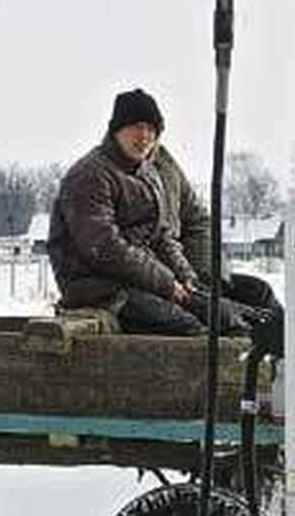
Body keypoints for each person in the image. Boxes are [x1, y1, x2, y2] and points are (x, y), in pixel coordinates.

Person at [47, 88, 252, 335]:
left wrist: (186, 277)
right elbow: (104, 248)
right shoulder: (91, 175)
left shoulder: (148, 174)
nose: (144, 136)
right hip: (97, 287)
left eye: (152, 130)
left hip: (139, 282)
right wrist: (166, 283)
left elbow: (161, 235)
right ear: (117, 130)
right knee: (191, 330)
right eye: (137, 126)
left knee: (222, 316)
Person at [150, 144, 282, 315]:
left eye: (151, 129)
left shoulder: (166, 165)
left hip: (189, 271)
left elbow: (198, 220)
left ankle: (292, 339)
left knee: (258, 291)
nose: (144, 135)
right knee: (237, 315)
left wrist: (207, 274)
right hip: (158, 279)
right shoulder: (112, 171)